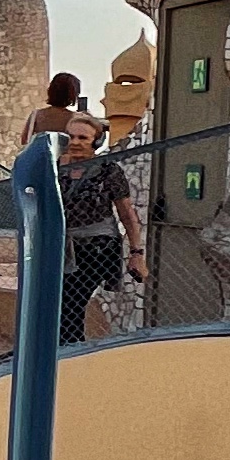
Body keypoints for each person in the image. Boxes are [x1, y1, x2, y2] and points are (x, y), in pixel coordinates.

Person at [57, 114, 143, 344]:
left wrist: (136, 253)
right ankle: (68, 350)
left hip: (97, 247)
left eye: (82, 138)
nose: (75, 142)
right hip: (61, 246)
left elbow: (126, 213)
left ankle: (70, 350)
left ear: (96, 141)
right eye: (71, 136)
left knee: (71, 302)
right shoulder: (54, 168)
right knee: (61, 306)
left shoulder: (108, 170)